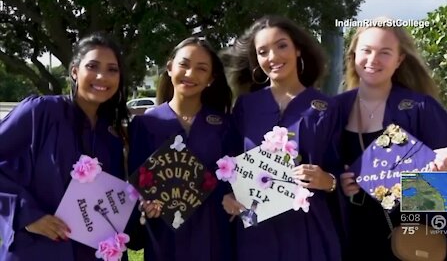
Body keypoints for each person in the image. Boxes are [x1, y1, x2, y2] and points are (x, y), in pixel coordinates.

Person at [336, 17, 447, 260]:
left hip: (411, 242)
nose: (373, 60)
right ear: (353, 55)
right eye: (366, 50)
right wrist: (339, 186)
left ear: (399, 59)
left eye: (385, 52)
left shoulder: (421, 109)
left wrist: (436, 174)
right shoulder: (333, 111)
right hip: (352, 241)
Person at [221, 15, 344, 261]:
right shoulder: (246, 106)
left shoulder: (325, 108)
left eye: (281, 45)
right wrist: (228, 195)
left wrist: (328, 181)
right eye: (263, 51)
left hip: (308, 231)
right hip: (257, 231)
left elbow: (345, 170)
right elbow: (229, 164)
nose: (273, 57)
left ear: (298, 49)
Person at [0, 33, 130, 260]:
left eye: (112, 69)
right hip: (38, 251)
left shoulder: (111, 134)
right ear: (74, 72)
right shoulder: (41, 112)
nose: (102, 76)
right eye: (92, 66)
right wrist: (26, 215)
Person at [128, 36, 233, 261]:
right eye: (184, 65)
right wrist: (144, 203)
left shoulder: (225, 125)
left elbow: (236, 182)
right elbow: (135, 185)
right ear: (169, 67)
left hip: (213, 235)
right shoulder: (146, 124)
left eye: (201, 69)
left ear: (211, 78)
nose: (190, 74)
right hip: (164, 237)